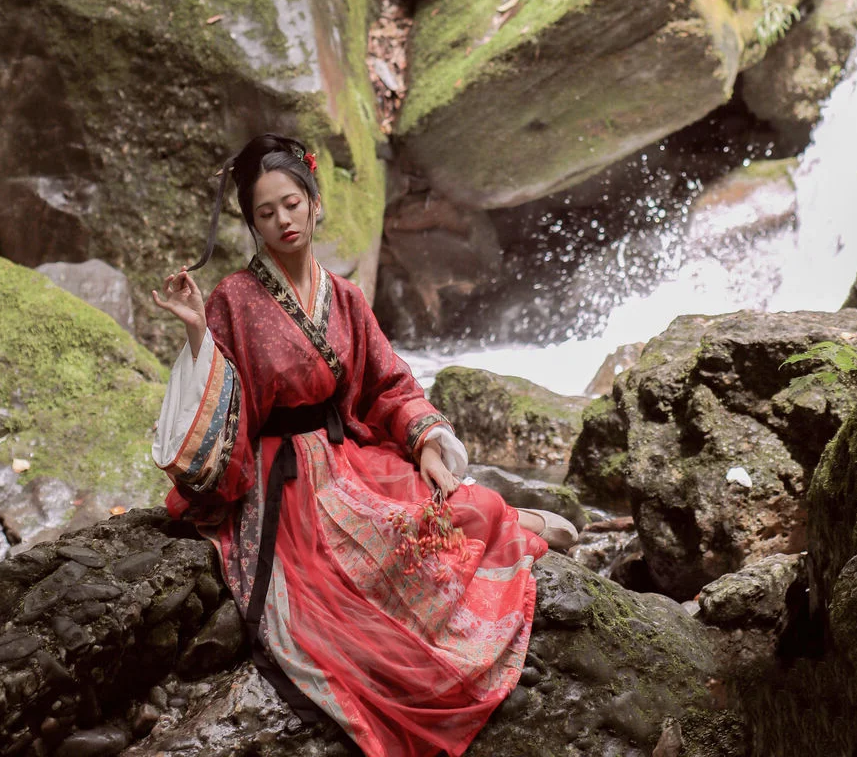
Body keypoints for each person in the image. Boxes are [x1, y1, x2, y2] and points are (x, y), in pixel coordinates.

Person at [150, 133, 576, 757]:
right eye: (265, 213)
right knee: (354, 594)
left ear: (315, 202)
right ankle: (516, 524)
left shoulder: (345, 296)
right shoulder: (233, 299)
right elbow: (222, 400)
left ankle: (513, 519)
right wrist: (197, 335)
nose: (283, 220)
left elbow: (388, 383)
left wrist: (425, 442)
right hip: (283, 477)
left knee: (457, 508)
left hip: (347, 455)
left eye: (292, 203)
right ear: (252, 223)